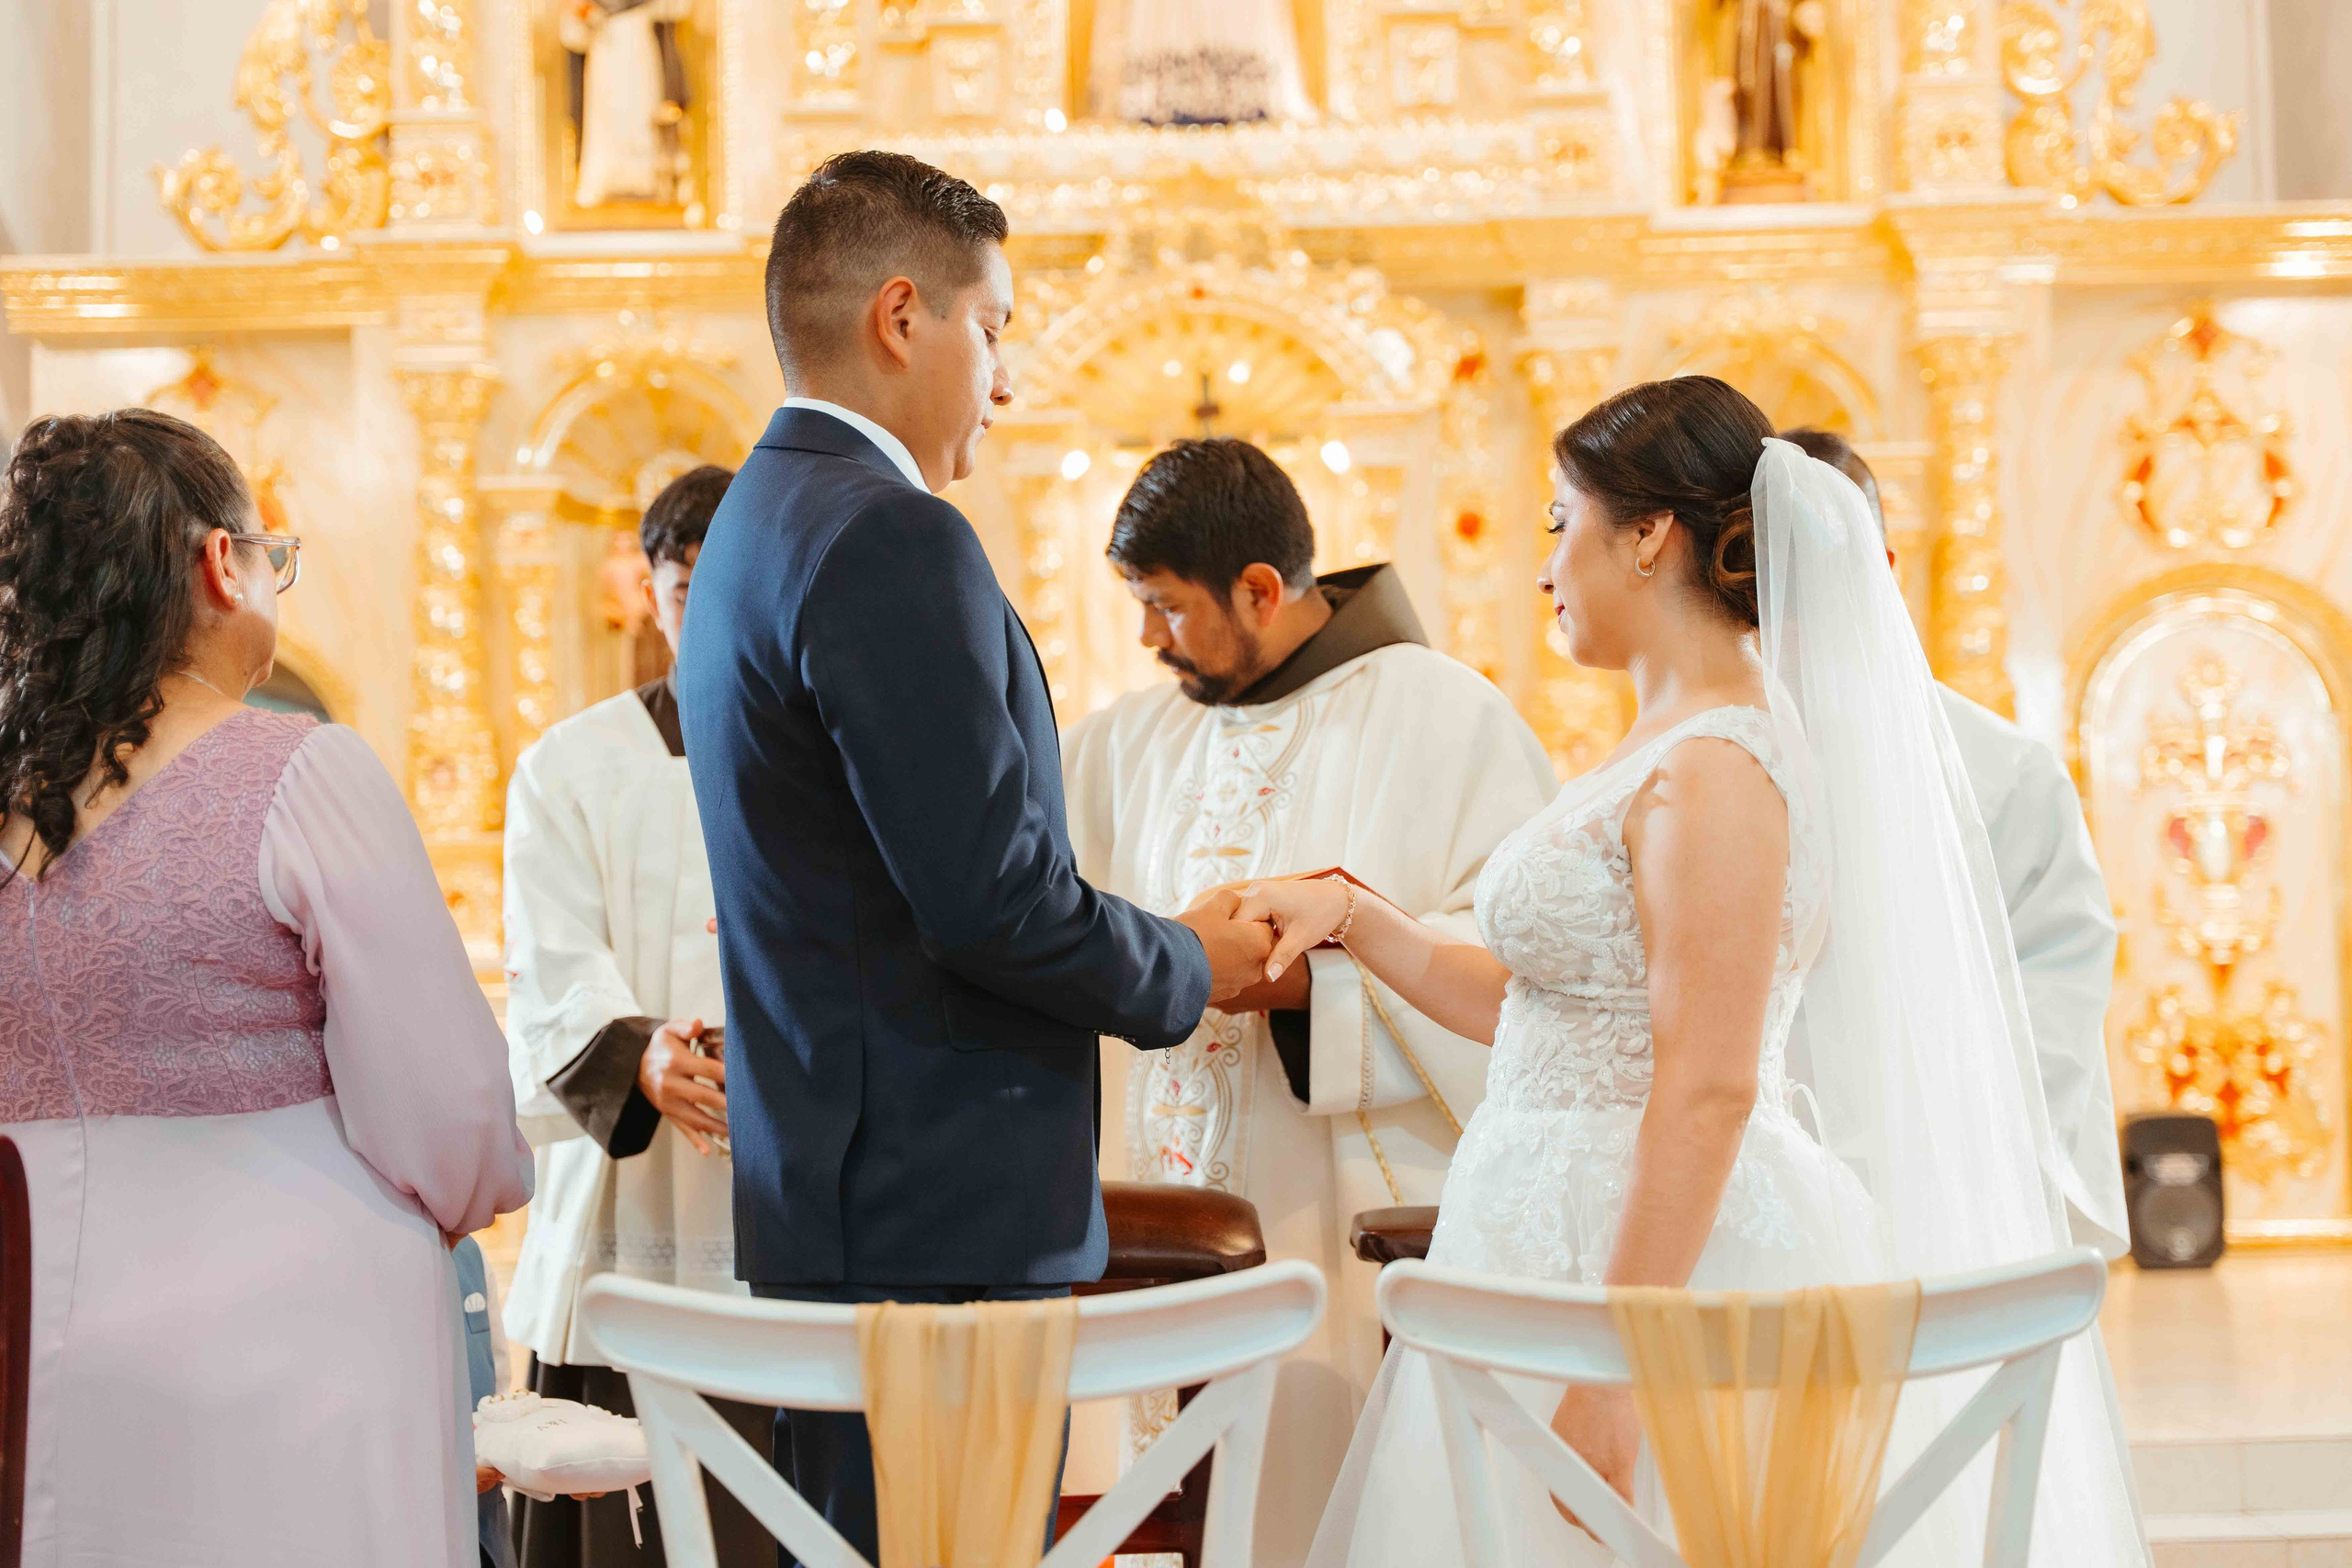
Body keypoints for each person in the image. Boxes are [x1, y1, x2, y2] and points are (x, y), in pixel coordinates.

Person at [1234, 378, 2144, 1565]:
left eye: (1563, 522)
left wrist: (1623, 1359)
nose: (1546, 565)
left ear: (1649, 534)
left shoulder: (1716, 766)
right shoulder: (1661, 742)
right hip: (1550, 1221)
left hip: (1656, 1253)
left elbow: (1707, 1079)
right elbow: (1545, 1012)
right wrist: (1359, 915)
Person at [673, 151, 1273, 1561]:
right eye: (993, 328)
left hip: (845, 1196)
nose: (1004, 382)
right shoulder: (890, 536)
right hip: (935, 1218)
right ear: (902, 317)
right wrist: (1195, 959)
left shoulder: (761, 517)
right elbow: (991, 898)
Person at [0, 409, 534, 1565]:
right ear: (217, 564)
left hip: (36, 1334)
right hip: (299, 1345)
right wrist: (478, 1187)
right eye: (271, 557)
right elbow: (452, 1115)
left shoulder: (11, 802)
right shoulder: (298, 773)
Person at [1062, 437, 1555, 1564]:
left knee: (1314, 1501)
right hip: (1145, 1222)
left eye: (1164, 607)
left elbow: (1525, 966)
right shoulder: (1124, 742)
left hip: (1326, 1225)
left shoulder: (1443, 715)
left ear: (1259, 590)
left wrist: (1307, 983)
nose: (1146, 639)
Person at [502, 463, 775, 1565]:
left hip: (779, 1188)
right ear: (648, 589)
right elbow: (551, 953)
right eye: (681, 586)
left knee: (779, 1496)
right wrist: (641, 1056)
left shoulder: (838, 753)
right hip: (630, 1177)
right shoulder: (573, 765)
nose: (704, 616)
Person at [1777, 425, 2128, 1255]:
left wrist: (1955, 1144)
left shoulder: (2003, 770)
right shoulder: (1705, 757)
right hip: (1761, 1168)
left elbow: (2058, 974)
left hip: (1955, 1171)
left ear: (1886, 572)